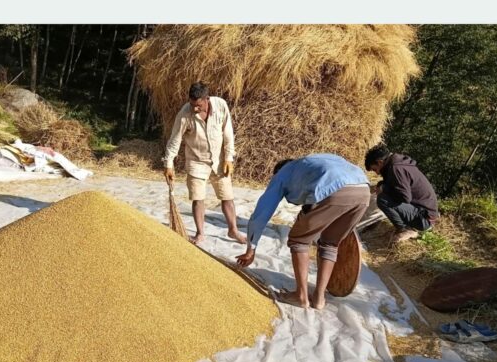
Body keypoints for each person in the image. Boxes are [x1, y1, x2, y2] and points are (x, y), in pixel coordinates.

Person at [236, 154, 370, 310]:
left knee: (298, 240)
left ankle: (301, 296)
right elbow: (316, 196)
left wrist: (251, 247)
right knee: (330, 243)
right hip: (363, 191)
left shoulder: (283, 173)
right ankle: (319, 298)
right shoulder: (312, 164)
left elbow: (262, 211)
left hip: (335, 191)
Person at [163, 82, 246, 245]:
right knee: (198, 198)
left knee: (227, 196)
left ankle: (233, 230)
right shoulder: (185, 114)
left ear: (207, 99)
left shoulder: (220, 106)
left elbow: (228, 133)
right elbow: (175, 139)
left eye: (198, 105)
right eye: (192, 104)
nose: (195, 108)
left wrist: (229, 158)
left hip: (219, 161)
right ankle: (200, 233)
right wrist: (168, 163)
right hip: (196, 161)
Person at [364, 144, 439, 244]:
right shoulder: (396, 164)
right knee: (384, 195)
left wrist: (384, 188)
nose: (377, 173)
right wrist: (381, 185)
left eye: (375, 169)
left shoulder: (396, 169)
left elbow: (405, 197)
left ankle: (405, 229)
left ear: (380, 162)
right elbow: (393, 184)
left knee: (382, 199)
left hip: (424, 219)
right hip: (422, 212)